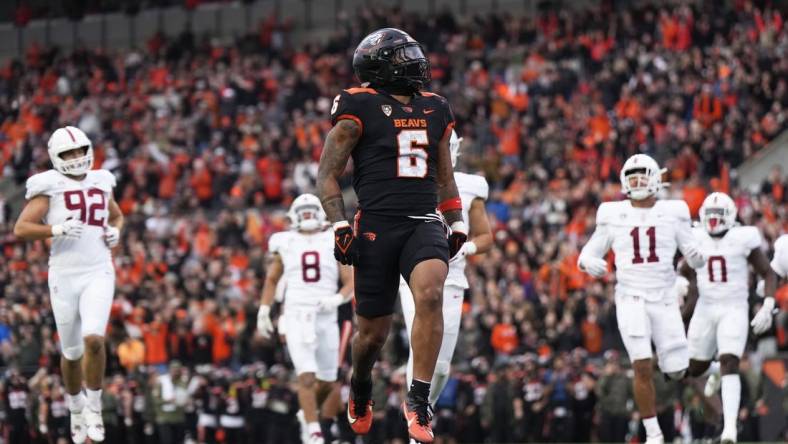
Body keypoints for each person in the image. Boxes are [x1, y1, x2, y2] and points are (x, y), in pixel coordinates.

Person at [316, 28, 467, 443]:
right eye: (404, 56)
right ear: (379, 65)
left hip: (422, 219)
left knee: (432, 293)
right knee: (371, 335)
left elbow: (445, 175)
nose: (415, 62)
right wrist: (340, 223)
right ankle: (361, 384)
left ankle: (418, 399)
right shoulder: (358, 104)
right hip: (377, 226)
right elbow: (327, 174)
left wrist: (456, 221)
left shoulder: (435, 107)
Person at [577, 153, 706, 444]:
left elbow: (695, 256)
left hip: (663, 297)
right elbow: (588, 252)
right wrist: (587, 262)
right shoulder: (613, 213)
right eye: (632, 177)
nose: (637, 182)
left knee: (675, 369)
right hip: (630, 296)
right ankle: (654, 433)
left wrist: (698, 257)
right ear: (624, 181)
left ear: (656, 179)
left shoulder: (673, 211)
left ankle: (708, 366)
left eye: (642, 176)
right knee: (641, 365)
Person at [14, 126, 123, 443]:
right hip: (64, 272)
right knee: (72, 352)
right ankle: (76, 408)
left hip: (98, 268)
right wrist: (57, 229)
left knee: (94, 340)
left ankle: (94, 406)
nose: (76, 158)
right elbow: (21, 228)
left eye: (80, 151)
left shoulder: (102, 180)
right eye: (68, 154)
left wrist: (116, 230)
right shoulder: (48, 185)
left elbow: (116, 216)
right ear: (55, 157)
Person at [399, 130, 492, 415]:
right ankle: (417, 422)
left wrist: (469, 248)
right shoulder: (404, 181)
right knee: (420, 351)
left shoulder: (469, 185)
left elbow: (486, 236)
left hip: (451, 278)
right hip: (414, 275)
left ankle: (425, 412)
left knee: (441, 366)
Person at [676, 192, 778, 444]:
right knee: (692, 368)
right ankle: (715, 370)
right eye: (709, 216)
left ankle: (729, 428)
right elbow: (685, 269)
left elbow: (767, 272)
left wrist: (767, 305)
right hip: (706, 307)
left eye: (718, 216)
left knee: (730, 360)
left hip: (734, 306)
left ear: (730, 216)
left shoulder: (742, 237)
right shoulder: (696, 236)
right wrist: (679, 281)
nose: (713, 221)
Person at [256, 193, 354, 444]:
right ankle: (315, 432)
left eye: (312, 210)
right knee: (306, 375)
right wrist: (265, 309)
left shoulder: (333, 237)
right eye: (304, 211)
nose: (308, 216)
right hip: (297, 313)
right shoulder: (285, 242)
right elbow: (273, 278)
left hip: (328, 314)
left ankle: (308, 414)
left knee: (329, 380)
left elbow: (350, 280)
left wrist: (337, 298)